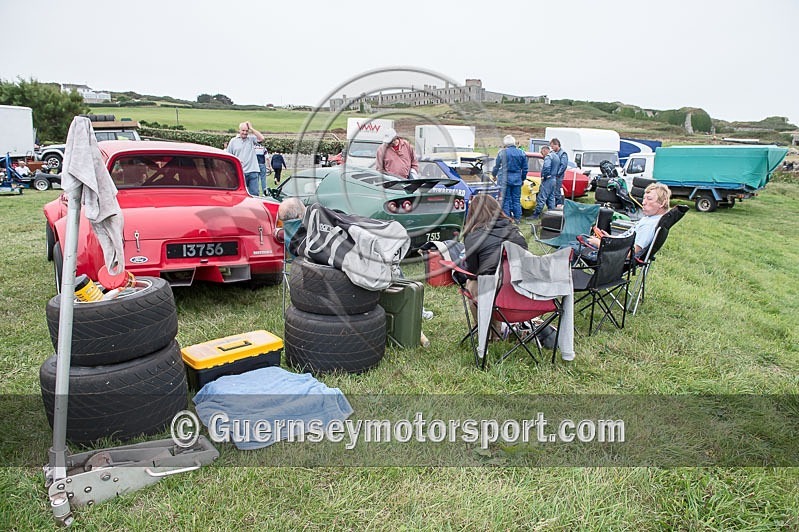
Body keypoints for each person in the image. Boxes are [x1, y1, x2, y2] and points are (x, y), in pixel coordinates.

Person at [461, 194, 528, 338]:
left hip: (491, 291)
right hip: (520, 289)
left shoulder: (472, 236)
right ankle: (503, 329)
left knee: (472, 283)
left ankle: (488, 332)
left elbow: (472, 272)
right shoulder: (516, 232)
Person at [580, 182, 671, 258]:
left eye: (649, 199)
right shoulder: (649, 219)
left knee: (575, 246)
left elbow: (629, 253)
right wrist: (612, 238)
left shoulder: (649, 226)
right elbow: (627, 239)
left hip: (612, 257)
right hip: (615, 246)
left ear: (662, 203)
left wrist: (600, 244)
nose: (643, 202)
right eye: (643, 198)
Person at [491, 135, 528, 222]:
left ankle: (507, 219)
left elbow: (496, 166)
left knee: (505, 199)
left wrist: (494, 175)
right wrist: (522, 179)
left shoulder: (502, 153)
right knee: (516, 199)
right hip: (517, 179)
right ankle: (517, 218)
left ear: (505, 144)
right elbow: (525, 168)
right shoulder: (522, 153)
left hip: (504, 179)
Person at [226, 121, 264, 196]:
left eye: (247, 131)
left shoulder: (251, 139)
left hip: (253, 171)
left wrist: (251, 128)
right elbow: (229, 156)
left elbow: (262, 138)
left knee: (255, 194)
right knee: (240, 195)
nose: (245, 133)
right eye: (243, 130)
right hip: (240, 172)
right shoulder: (233, 141)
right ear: (239, 130)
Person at [530, 145, 559, 219]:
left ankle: (536, 214)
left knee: (542, 197)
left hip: (548, 180)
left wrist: (545, 176)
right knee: (551, 198)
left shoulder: (548, 157)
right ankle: (552, 214)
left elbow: (546, 167)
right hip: (554, 179)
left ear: (544, 151)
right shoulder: (556, 156)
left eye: (542, 153)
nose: (542, 155)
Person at [550, 138, 568, 208]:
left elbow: (563, 165)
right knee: (553, 192)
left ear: (557, 145)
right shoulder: (552, 153)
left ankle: (559, 206)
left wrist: (557, 174)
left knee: (557, 191)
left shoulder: (563, 154)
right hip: (552, 176)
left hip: (558, 176)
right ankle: (553, 206)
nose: (552, 148)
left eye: (552, 146)